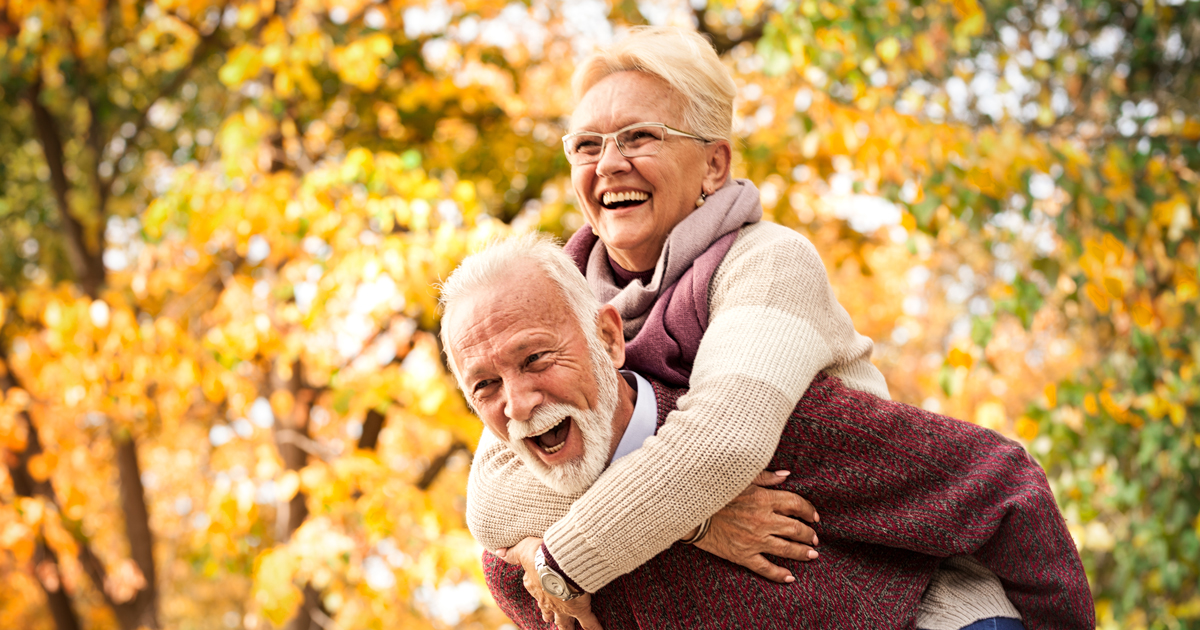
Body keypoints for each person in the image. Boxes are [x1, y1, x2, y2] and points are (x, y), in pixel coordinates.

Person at [462, 26, 1090, 630]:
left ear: (713, 166)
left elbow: (721, 444)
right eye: (587, 145)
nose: (609, 164)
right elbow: (493, 497)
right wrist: (702, 522)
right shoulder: (554, 302)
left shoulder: (766, 261)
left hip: (877, 585)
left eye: (639, 136)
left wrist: (559, 562)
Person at [439, 235, 1094, 629]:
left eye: (535, 359)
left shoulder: (774, 423)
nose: (519, 404)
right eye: (485, 387)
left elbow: (999, 484)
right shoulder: (522, 567)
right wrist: (691, 523)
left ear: (609, 338)